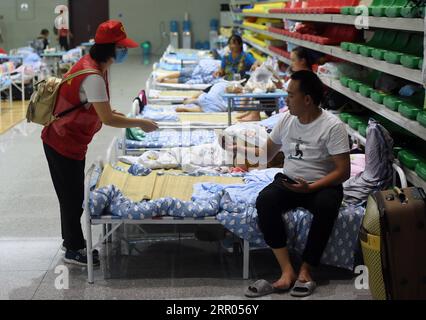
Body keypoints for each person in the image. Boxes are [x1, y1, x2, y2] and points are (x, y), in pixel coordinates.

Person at [41, 20, 159, 266]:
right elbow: (107, 119)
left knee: (71, 195)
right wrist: (139, 122)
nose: (125, 50)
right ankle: (74, 249)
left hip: (72, 140)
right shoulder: (93, 75)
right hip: (62, 141)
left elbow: (96, 107)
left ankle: (71, 242)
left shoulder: (95, 66)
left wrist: (110, 112)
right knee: (71, 198)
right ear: (110, 48)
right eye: (121, 47)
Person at [225, 71, 350, 298]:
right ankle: (287, 271)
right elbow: (265, 155)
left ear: (308, 100)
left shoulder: (333, 127)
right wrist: (240, 150)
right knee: (265, 200)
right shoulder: (287, 120)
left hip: (321, 185)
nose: (286, 100)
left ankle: (306, 269)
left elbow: (344, 171)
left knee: (326, 206)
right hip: (290, 181)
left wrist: (311, 188)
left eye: (291, 95)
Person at [236, 46, 314, 122]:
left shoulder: (306, 77)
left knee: (260, 90)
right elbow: (285, 88)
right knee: (261, 77)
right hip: (281, 99)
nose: (291, 63)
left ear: (303, 61)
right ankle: (251, 112)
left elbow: (295, 95)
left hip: (285, 105)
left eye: (293, 60)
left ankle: (253, 113)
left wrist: (278, 86)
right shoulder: (298, 74)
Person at [156, 59, 221, 85]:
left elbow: (208, 81)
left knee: (183, 80)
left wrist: (213, 76)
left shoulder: (221, 79)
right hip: (201, 68)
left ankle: (163, 81)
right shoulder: (223, 64)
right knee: (184, 72)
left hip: (203, 78)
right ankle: (163, 76)